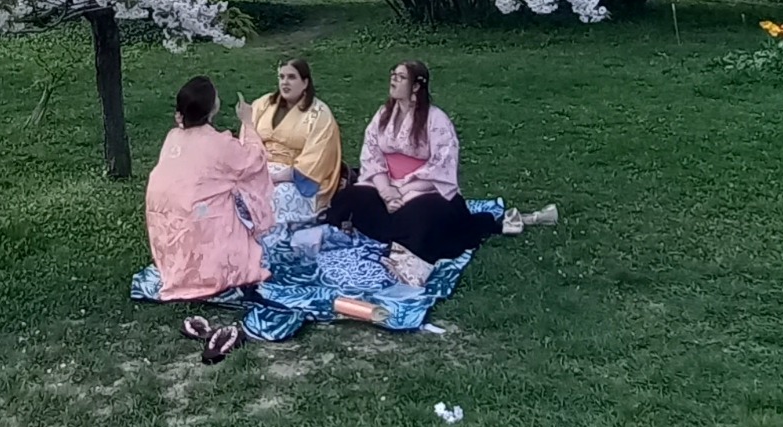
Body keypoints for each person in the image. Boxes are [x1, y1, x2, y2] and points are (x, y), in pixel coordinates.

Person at [322, 59, 517, 262]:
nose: (394, 80)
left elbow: (441, 164)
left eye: (401, 77)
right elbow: (372, 154)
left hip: (424, 188)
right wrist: (386, 191)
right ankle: (385, 232)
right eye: (393, 75)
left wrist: (403, 192)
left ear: (416, 86)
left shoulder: (436, 119)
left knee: (422, 218)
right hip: (387, 183)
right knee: (349, 198)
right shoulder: (383, 115)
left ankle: (411, 242)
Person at [144, 75, 278, 303]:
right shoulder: (220, 144)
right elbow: (254, 161)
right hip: (200, 223)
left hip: (167, 231)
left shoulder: (173, 137)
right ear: (212, 107)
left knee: (218, 192)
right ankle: (213, 270)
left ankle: (182, 271)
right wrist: (248, 123)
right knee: (237, 192)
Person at [242, 57, 343, 225]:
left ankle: (270, 236)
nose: (285, 82)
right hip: (260, 167)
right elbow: (247, 138)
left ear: (305, 83)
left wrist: (276, 177)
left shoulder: (320, 115)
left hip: (295, 179)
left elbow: (317, 159)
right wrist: (256, 168)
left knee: (274, 197)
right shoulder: (263, 104)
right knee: (235, 192)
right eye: (281, 77)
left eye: (291, 77)